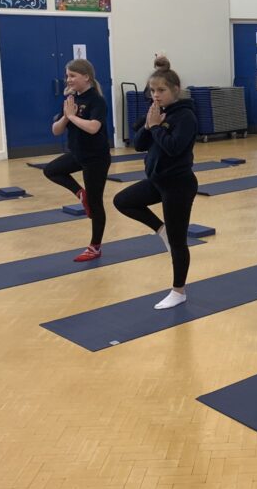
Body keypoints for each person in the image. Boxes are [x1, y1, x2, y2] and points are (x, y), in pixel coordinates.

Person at [113, 69, 199, 310]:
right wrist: (150, 125)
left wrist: (157, 128)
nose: (156, 95)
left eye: (161, 90)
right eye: (152, 90)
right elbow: (138, 144)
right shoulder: (156, 112)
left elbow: (173, 147)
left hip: (179, 185)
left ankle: (178, 291)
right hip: (157, 181)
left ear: (175, 89)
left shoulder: (186, 116)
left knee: (178, 241)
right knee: (123, 201)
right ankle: (160, 230)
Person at [43, 59, 111, 262]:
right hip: (77, 154)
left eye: (73, 76)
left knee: (96, 204)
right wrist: (66, 116)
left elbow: (93, 127)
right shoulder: (72, 99)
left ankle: (95, 247)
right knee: (51, 170)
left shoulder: (96, 100)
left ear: (86, 77)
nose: (68, 79)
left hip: (96, 159)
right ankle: (81, 194)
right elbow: (56, 131)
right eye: (67, 76)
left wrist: (72, 117)